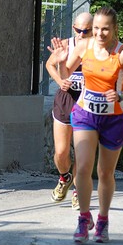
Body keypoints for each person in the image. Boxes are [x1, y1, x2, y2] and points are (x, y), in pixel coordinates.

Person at [49, 6, 123, 244]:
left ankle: (102, 220)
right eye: (96, 29)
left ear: (114, 29)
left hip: (114, 117)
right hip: (85, 113)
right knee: (82, 168)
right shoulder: (84, 46)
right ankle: (84, 219)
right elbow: (67, 72)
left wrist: (122, 96)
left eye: (105, 29)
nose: (100, 34)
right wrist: (61, 62)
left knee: (105, 173)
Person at [45, 12, 93, 210]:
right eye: (78, 30)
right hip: (67, 99)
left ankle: (77, 191)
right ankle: (64, 177)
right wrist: (60, 81)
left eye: (86, 30)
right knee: (61, 152)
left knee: (82, 153)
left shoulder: (98, 49)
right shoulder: (65, 44)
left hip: (87, 101)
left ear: (94, 30)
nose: (81, 34)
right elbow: (49, 64)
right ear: (73, 28)